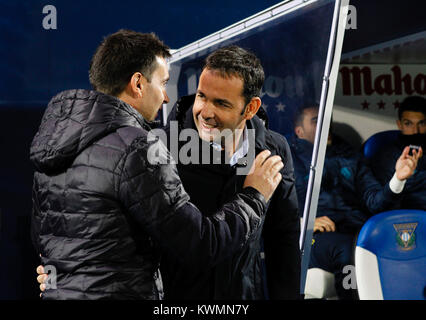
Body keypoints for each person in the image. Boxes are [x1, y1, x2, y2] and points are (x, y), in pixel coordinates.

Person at [30, 30, 285, 300]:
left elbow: (46, 242)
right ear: (138, 83)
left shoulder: (54, 143)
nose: (166, 97)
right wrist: (254, 196)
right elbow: (200, 245)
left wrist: (60, 276)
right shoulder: (141, 147)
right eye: (163, 83)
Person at [159, 46, 301, 300]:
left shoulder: (274, 149)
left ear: (250, 108)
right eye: (202, 96)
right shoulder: (164, 148)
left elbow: (283, 239)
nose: (205, 112)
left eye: (221, 103)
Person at [289, 105, 422, 299]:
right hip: (312, 236)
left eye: (326, 118)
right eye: (316, 120)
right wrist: (304, 223)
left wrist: (398, 179)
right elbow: (275, 205)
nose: (325, 123)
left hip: (356, 229)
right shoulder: (288, 159)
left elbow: (375, 201)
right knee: (347, 250)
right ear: (299, 131)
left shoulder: (351, 157)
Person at [368, 96, 425, 210]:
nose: (415, 130)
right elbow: (380, 204)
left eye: (422, 123)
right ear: (399, 124)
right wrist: (399, 179)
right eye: (408, 123)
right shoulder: (385, 156)